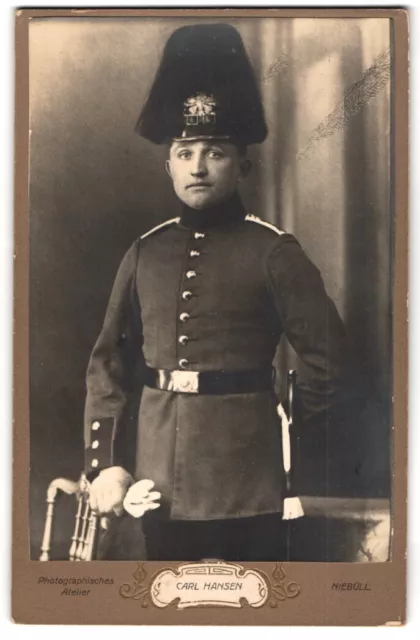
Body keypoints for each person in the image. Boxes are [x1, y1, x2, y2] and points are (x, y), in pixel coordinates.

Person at [84, 23, 348, 561]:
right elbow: (109, 364)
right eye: (184, 152)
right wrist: (106, 464)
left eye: (215, 151)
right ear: (169, 165)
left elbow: (329, 358)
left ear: (242, 164)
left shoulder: (274, 251)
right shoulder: (144, 253)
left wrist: (293, 448)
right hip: (155, 482)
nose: (198, 166)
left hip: (247, 479)